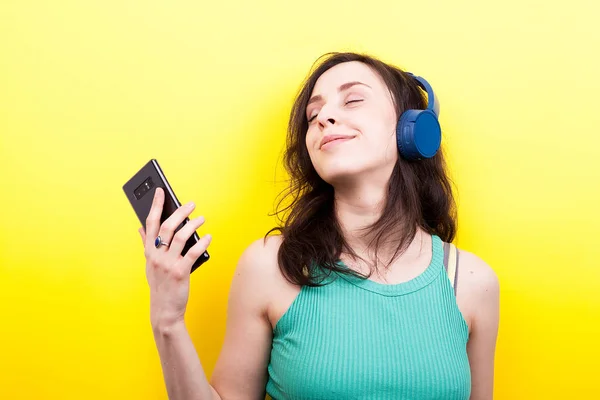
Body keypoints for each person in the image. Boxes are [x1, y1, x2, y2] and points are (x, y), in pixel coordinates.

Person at [138, 52, 500, 400]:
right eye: (314, 114)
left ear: (414, 128)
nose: (325, 116)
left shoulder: (471, 281)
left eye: (353, 100)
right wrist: (167, 320)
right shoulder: (270, 266)